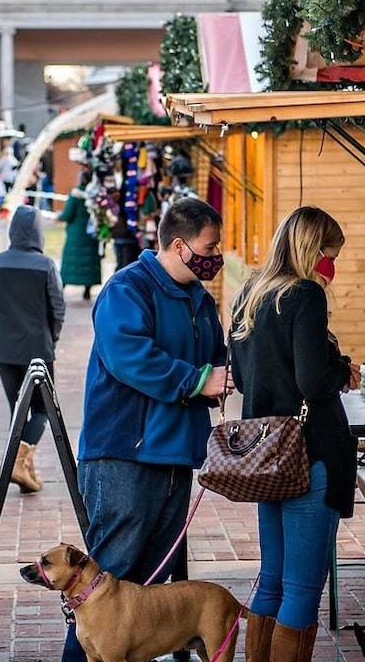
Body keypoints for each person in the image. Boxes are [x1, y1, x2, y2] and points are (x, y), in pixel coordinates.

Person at [65, 197, 229, 662]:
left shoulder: (199, 297)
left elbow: (216, 357)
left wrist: (222, 372)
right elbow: (128, 356)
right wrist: (197, 380)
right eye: (209, 245)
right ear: (179, 246)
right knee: (102, 589)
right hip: (124, 455)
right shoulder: (126, 289)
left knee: (152, 595)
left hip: (176, 455)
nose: (215, 254)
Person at [228, 206, 357, 661]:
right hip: (311, 455)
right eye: (330, 253)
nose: (331, 265)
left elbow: (243, 380)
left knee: (273, 578)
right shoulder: (304, 296)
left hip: (266, 454)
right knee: (302, 588)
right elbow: (312, 383)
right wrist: (341, 368)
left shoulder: (250, 293)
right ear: (313, 249)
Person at [0, 204, 66, 494]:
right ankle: (21, 463)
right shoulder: (45, 265)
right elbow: (58, 307)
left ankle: (22, 470)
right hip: (38, 348)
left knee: (16, 411)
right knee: (43, 410)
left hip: (4, 349)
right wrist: (51, 339)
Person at [58, 176, 103, 300]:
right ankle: (87, 290)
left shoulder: (75, 195)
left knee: (71, 262)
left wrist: (59, 217)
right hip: (91, 234)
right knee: (89, 261)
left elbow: (67, 215)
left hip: (75, 234)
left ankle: (63, 286)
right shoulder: (96, 195)